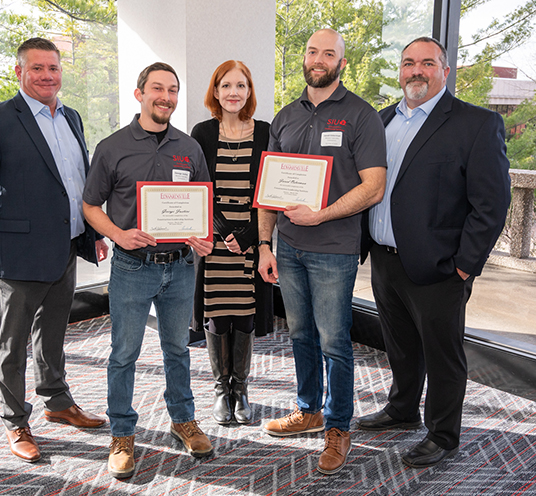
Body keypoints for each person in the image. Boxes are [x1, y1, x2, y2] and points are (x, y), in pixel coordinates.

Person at [0, 38, 108, 464]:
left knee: (54, 333)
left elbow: (79, 184)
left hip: (65, 247)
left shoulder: (71, 117)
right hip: (16, 254)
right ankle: (15, 419)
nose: (47, 76)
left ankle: (57, 403)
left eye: (53, 68)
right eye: (37, 68)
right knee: (13, 343)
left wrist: (92, 234)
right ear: (19, 72)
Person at [358, 37, 511, 469]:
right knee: (400, 346)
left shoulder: (476, 124)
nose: (416, 71)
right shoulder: (381, 119)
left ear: (446, 70)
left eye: (428, 63)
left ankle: (443, 434)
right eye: (409, 63)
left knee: (443, 355)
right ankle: (401, 407)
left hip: (441, 268)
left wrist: (464, 266)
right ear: (400, 71)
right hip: (385, 260)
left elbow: (492, 204)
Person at [258, 28, 387, 475]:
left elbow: (374, 186)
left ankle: (337, 426)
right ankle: (308, 408)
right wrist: (263, 245)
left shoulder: (361, 116)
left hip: (334, 249)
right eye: (312, 50)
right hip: (288, 249)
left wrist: (323, 214)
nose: (318, 59)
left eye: (328, 53)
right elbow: (268, 191)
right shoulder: (285, 117)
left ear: (341, 63)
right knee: (299, 335)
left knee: (334, 340)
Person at [82, 62, 215, 479]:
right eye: (158, 88)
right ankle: (122, 432)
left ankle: (183, 420)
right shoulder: (113, 146)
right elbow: (89, 206)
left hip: (179, 269)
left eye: (173, 90)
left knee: (178, 349)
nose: (166, 97)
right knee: (124, 353)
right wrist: (118, 235)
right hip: (132, 267)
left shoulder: (189, 147)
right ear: (139, 93)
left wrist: (205, 237)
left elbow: (202, 204)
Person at [191, 60, 274, 426]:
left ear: (250, 91)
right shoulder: (202, 133)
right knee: (216, 314)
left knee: (244, 314)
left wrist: (248, 237)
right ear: (215, 91)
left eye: (241, 85)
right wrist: (224, 232)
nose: (233, 93)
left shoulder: (266, 133)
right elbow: (199, 190)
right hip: (214, 240)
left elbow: (270, 191)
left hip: (252, 238)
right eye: (226, 85)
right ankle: (219, 390)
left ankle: (240, 389)